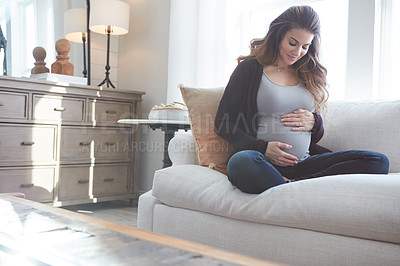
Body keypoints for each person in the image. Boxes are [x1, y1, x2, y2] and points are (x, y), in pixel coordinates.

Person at [214, 5, 389, 194]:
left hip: (303, 162)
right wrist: (262, 148)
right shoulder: (250, 69)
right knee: (241, 163)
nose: (298, 52)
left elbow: (314, 134)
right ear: (278, 35)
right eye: (293, 43)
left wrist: (315, 122)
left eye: (305, 46)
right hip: (262, 161)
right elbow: (223, 122)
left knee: (377, 162)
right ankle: (297, 188)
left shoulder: (308, 74)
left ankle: (292, 185)